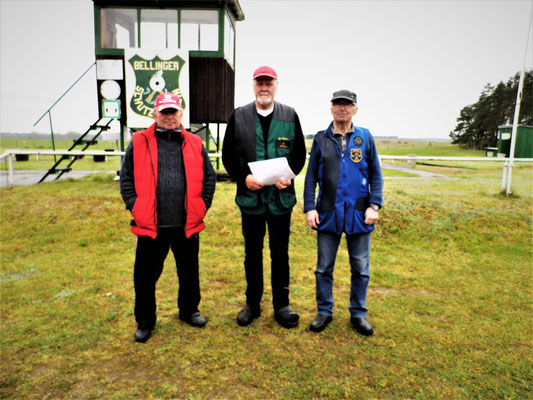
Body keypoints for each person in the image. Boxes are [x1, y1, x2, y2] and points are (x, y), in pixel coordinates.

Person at [120, 92, 216, 343]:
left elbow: (209, 177)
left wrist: (202, 206)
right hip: (152, 225)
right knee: (144, 277)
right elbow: (126, 178)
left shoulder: (195, 142)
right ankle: (145, 320)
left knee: (189, 273)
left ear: (181, 114)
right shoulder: (139, 141)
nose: (169, 116)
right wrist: (135, 207)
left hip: (186, 224)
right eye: (164, 111)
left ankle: (189, 310)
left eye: (173, 111)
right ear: (154, 114)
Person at [222, 66, 306, 328]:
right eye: (260, 83)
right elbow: (228, 156)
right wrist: (243, 177)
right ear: (253, 86)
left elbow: (299, 155)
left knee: (280, 253)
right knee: (252, 254)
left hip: (280, 201)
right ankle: (253, 305)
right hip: (251, 201)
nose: (264, 88)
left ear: (276, 85)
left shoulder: (290, 115)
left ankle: (282, 306)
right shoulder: (239, 116)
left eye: (269, 83)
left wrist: (289, 175)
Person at [304, 90, 383, 335]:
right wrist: (310, 208)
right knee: (323, 268)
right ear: (331, 108)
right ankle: (324, 311)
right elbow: (310, 179)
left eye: (347, 105)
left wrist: (374, 206)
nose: (342, 108)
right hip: (328, 213)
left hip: (359, 214)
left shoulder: (365, 137)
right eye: (338, 104)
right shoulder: (320, 139)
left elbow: (376, 176)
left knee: (360, 268)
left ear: (355, 109)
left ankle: (358, 314)